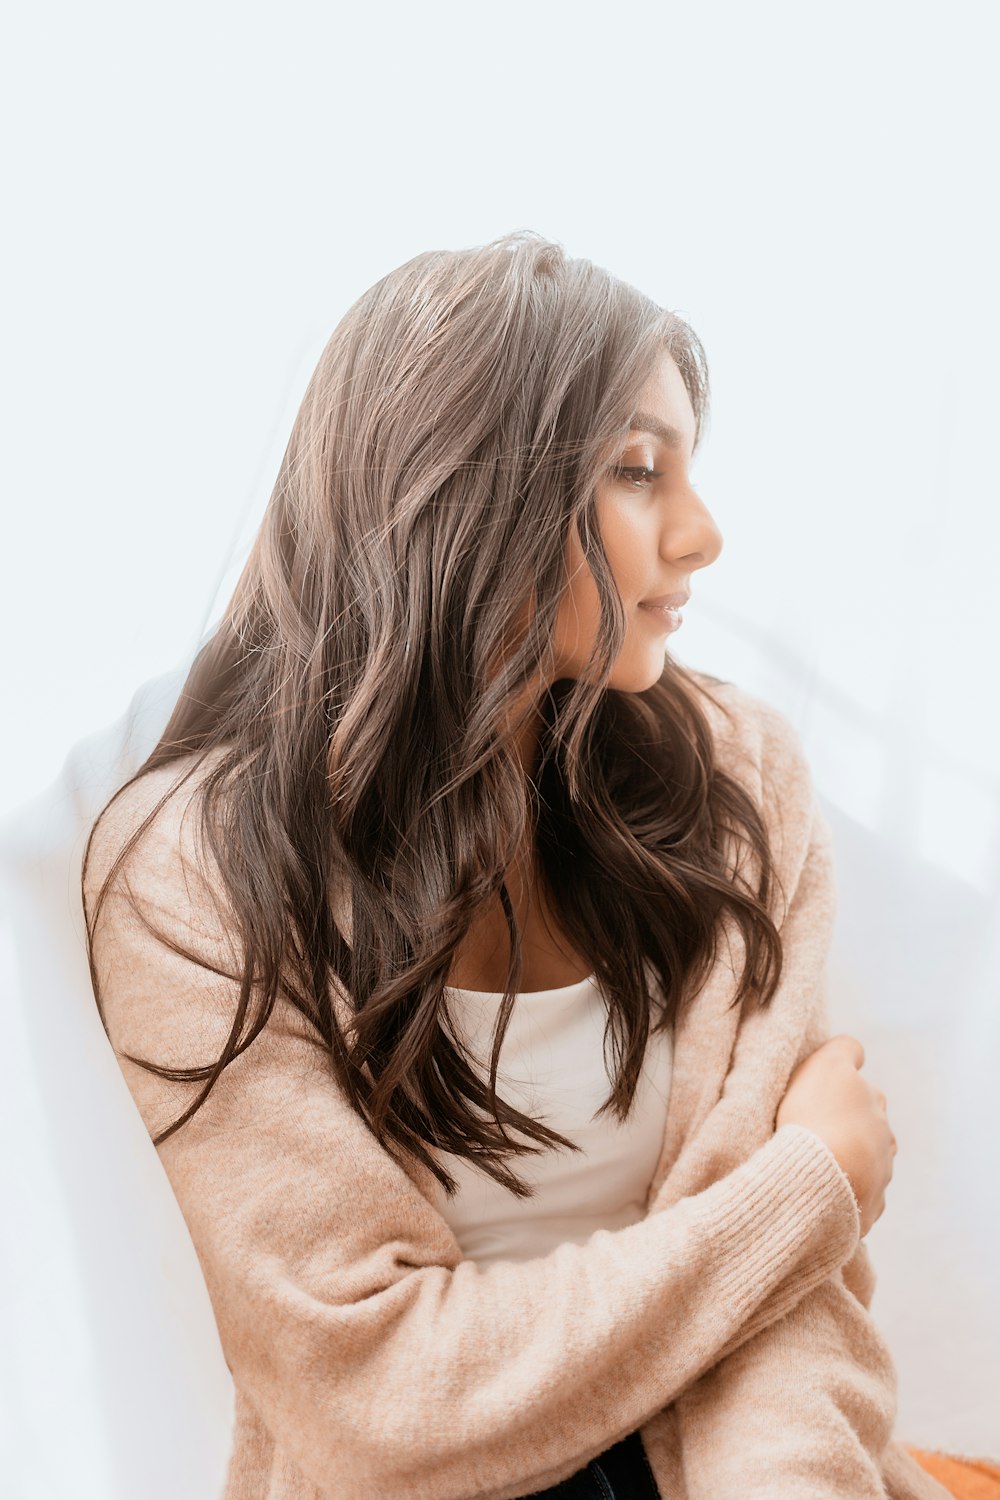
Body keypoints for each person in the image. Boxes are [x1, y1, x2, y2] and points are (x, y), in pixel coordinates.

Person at [81, 231, 953, 1500]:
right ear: (467, 494)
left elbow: (787, 1319)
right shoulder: (198, 873)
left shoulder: (735, 787)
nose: (702, 534)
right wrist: (799, 1192)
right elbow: (377, 1403)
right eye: (638, 472)